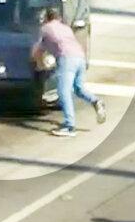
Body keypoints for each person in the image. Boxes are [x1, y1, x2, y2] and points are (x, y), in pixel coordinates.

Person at [31, 8, 106, 137]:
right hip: (80, 57)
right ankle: (96, 101)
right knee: (79, 88)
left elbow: (37, 51)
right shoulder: (66, 28)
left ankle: (69, 126)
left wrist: (39, 65)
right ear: (58, 18)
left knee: (63, 92)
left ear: (47, 18)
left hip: (67, 58)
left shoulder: (45, 28)